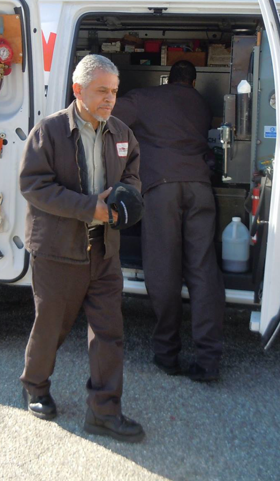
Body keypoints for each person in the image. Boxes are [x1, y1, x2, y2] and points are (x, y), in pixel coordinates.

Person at [18, 54, 145, 443]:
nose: (110, 99)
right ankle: (35, 386)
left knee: (109, 332)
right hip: (57, 251)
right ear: (78, 90)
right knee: (51, 327)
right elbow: (33, 186)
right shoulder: (50, 131)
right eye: (102, 91)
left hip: (103, 251)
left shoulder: (122, 134)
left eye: (114, 92)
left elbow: (134, 177)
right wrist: (90, 206)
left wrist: (125, 202)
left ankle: (104, 412)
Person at [113, 60, 224, 382]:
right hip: (201, 188)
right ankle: (208, 359)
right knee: (203, 271)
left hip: (161, 189)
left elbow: (106, 112)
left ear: (169, 79)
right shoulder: (201, 103)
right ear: (192, 81)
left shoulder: (146, 98)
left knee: (164, 268)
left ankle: (167, 354)